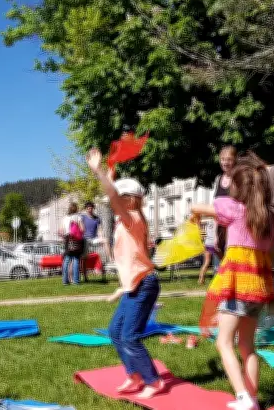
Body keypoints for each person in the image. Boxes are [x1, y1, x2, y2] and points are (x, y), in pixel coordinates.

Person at [190, 163, 274, 410]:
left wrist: (194, 213)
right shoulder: (272, 220)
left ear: (238, 188)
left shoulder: (235, 210)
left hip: (237, 288)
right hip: (259, 289)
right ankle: (252, 398)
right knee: (248, 346)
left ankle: (243, 396)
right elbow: (270, 256)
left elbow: (197, 207)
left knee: (224, 343)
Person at [87, 148, 164, 399]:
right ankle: (135, 374)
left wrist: (99, 172)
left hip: (144, 285)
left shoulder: (132, 218)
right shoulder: (127, 219)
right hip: (135, 286)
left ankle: (153, 381)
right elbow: (112, 194)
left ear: (131, 199)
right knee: (115, 332)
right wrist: (109, 174)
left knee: (130, 336)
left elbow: (111, 195)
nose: (115, 201)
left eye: (121, 197)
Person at [211, 146, 237, 255]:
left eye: (229, 159)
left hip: (234, 228)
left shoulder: (238, 178)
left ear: (235, 160)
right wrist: (214, 235)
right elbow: (215, 208)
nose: (225, 163)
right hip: (220, 228)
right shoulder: (218, 179)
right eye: (223, 159)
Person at [60, 203, 85, 285]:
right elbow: (82, 229)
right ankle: (75, 280)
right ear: (76, 209)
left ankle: (65, 281)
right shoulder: (78, 217)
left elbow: (61, 231)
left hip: (67, 239)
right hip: (76, 239)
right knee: (76, 259)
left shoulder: (65, 218)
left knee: (67, 260)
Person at [80, 202, 101, 282]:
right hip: (85, 239)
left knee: (100, 253)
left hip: (94, 239)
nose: (90, 209)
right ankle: (85, 277)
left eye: (91, 208)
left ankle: (98, 269)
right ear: (86, 209)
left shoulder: (97, 218)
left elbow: (99, 229)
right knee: (84, 258)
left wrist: (101, 236)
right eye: (88, 208)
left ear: (93, 208)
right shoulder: (82, 217)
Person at [198, 219, 219, 285]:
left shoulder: (207, 220)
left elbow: (199, 223)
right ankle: (220, 278)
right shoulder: (218, 220)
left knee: (206, 262)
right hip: (215, 244)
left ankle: (201, 279)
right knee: (222, 261)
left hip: (207, 243)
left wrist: (203, 238)